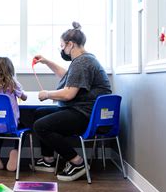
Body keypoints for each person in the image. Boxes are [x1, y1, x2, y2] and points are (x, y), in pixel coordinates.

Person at [31, 21, 111, 182]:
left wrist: (47, 94)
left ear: (71, 44)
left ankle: (77, 162)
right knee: (39, 114)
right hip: (85, 111)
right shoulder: (84, 60)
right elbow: (67, 75)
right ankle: (48, 160)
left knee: (41, 126)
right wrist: (47, 62)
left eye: (62, 46)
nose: (62, 50)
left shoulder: (82, 62)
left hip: (85, 114)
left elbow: (68, 94)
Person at [0, 57, 28, 172]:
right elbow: (24, 97)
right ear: (11, 69)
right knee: (23, 127)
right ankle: (15, 151)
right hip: (11, 125)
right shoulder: (13, 84)